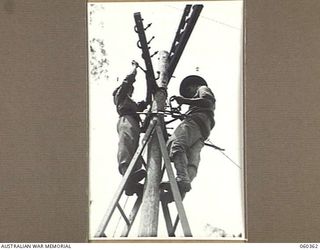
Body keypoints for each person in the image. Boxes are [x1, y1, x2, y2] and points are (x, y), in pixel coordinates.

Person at [161, 75, 216, 203]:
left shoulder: (202, 88)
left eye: (188, 90)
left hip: (197, 120)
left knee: (175, 143)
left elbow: (207, 102)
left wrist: (184, 100)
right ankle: (180, 191)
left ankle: (182, 179)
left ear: (193, 85)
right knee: (192, 159)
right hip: (203, 128)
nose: (189, 94)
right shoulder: (197, 103)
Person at [113, 61, 148, 196]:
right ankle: (126, 173)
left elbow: (143, 104)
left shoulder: (131, 103)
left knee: (134, 148)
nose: (130, 92)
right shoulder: (120, 97)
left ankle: (131, 181)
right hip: (126, 119)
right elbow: (127, 81)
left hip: (133, 122)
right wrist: (135, 68)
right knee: (126, 143)